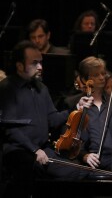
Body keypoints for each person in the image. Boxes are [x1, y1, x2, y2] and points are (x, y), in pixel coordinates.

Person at [0, 40, 94, 197]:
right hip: (18, 151)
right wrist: (34, 150)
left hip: (42, 149)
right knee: (28, 169)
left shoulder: (41, 88)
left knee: (77, 172)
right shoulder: (6, 88)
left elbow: (52, 120)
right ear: (19, 65)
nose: (40, 67)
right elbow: (10, 130)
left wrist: (76, 108)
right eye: (35, 63)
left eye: (41, 62)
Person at [61, 56, 112, 174]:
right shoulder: (74, 103)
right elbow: (67, 140)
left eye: (103, 73)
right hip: (91, 160)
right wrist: (84, 156)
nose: (102, 78)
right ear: (85, 79)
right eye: (96, 75)